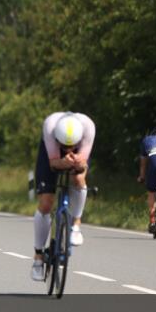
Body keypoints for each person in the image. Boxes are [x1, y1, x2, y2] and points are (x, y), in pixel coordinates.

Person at [30, 111, 95, 282]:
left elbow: (82, 166)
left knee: (78, 178)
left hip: (80, 151)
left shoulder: (88, 127)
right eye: (64, 146)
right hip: (50, 154)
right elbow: (52, 164)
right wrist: (62, 161)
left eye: (72, 146)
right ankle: (38, 257)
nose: (68, 150)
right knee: (46, 203)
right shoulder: (50, 127)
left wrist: (77, 162)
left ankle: (76, 224)